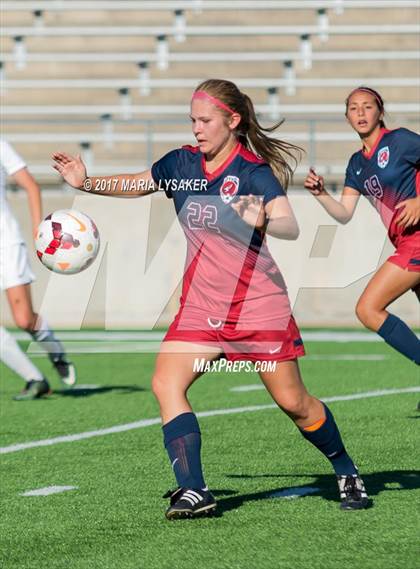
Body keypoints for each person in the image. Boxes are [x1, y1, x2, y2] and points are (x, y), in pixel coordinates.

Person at [52, 79, 369, 518]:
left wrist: (259, 216)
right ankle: (194, 490)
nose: (197, 129)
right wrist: (86, 182)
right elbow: (137, 183)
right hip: (202, 309)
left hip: (257, 310)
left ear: (232, 121)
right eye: (193, 121)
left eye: (205, 121)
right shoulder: (181, 163)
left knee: (295, 404)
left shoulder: (252, 172)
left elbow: (289, 226)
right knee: (166, 382)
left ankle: (346, 469)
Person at [304, 86, 420, 366]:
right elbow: (344, 213)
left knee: (368, 309)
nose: (361, 112)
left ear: (380, 112)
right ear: (347, 118)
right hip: (404, 242)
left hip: (416, 241)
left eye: (367, 106)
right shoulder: (356, 164)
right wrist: (320, 194)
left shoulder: (400, 140)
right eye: (354, 108)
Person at [0, 139, 76, 400]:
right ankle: (35, 379)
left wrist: (38, 230)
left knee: (23, 319)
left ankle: (56, 352)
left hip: (6, 243)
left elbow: (31, 187)